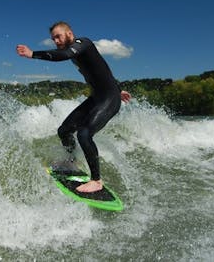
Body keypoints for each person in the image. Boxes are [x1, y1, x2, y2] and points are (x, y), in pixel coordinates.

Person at [16, 21, 131, 193]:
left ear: (69, 33)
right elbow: (102, 68)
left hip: (109, 99)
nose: (55, 40)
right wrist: (118, 86)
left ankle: (96, 180)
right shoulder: (77, 53)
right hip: (96, 97)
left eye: (58, 36)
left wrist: (33, 54)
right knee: (64, 131)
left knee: (84, 134)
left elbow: (63, 55)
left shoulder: (83, 44)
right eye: (53, 38)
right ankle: (72, 162)